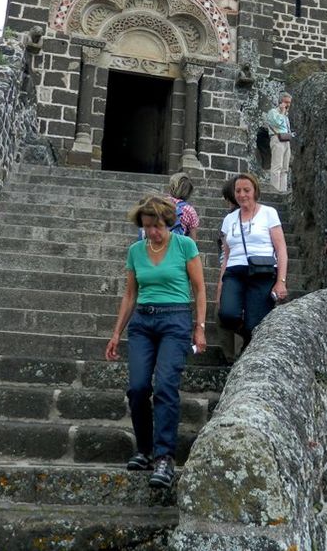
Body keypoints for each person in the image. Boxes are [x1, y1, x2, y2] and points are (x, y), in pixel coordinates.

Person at [105, 196, 207, 490]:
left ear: (169, 223)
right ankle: (145, 450)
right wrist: (116, 333)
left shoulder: (185, 246)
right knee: (137, 388)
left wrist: (199, 329)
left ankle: (164, 457)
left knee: (165, 386)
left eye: (158, 226)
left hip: (175, 321)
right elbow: (129, 295)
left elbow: (200, 290)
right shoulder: (136, 251)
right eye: (148, 227)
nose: (153, 232)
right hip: (142, 324)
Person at [217, 173, 288, 348]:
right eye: (238, 190)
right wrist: (220, 285)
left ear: (255, 191)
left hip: (262, 273)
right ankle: (248, 335)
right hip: (234, 273)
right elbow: (226, 255)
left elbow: (281, 250)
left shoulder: (268, 213)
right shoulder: (229, 220)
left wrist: (281, 281)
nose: (242, 195)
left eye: (246, 190)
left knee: (254, 324)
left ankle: (248, 346)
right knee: (227, 314)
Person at [265, 93, 294, 193]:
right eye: (286, 102)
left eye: (289, 103)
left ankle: (283, 190)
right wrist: (282, 112)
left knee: (285, 168)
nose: (288, 105)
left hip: (286, 140)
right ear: (280, 102)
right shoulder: (273, 112)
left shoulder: (286, 115)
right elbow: (277, 123)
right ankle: (274, 190)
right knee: (277, 166)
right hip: (277, 139)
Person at [166, 172, 200, 240]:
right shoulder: (190, 211)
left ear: (172, 187)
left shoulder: (161, 203)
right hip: (178, 248)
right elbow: (192, 241)